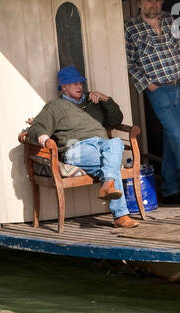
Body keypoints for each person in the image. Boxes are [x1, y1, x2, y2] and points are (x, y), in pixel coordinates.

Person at [26, 66, 137, 229]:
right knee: (110, 163)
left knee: (116, 143)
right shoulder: (56, 106)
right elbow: (37, 128)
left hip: (102, 146)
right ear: (64, 87)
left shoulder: (91, 102)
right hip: (77, 149)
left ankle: (109, 186)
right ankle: (120, 215)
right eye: (74, 84)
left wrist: (105, 100)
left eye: (81, 83)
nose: (80, 87)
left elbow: (115, 120)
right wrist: (44, 138)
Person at [125, 0, 180, 203]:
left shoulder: (169, 19)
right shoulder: (130, 27)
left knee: (173, 138)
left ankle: (170, 188)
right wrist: (149, 85)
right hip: (159, 91)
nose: (153, 4)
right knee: (178, 135)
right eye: (149, 0)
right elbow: (130, 63)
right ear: (139, 2)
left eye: (157, 1)